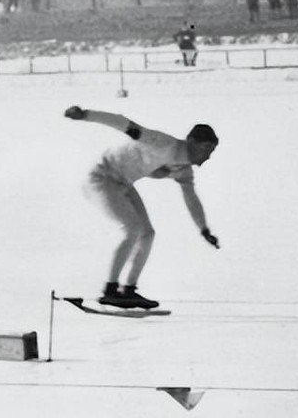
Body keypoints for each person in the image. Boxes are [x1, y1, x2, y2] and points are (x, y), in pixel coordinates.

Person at [64, 106, 220, 309]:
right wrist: (85, 115)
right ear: (191, 141)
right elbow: (123, 123)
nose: (207, 155)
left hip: (123, 183)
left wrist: (204, 229)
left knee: (147, 233)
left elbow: (191, 197)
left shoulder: (183, 170)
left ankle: (129, 290)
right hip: (100, 177)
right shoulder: (163, 143)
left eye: (211, 151)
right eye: (205, 148)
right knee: (133, 229)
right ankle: (110, 290)